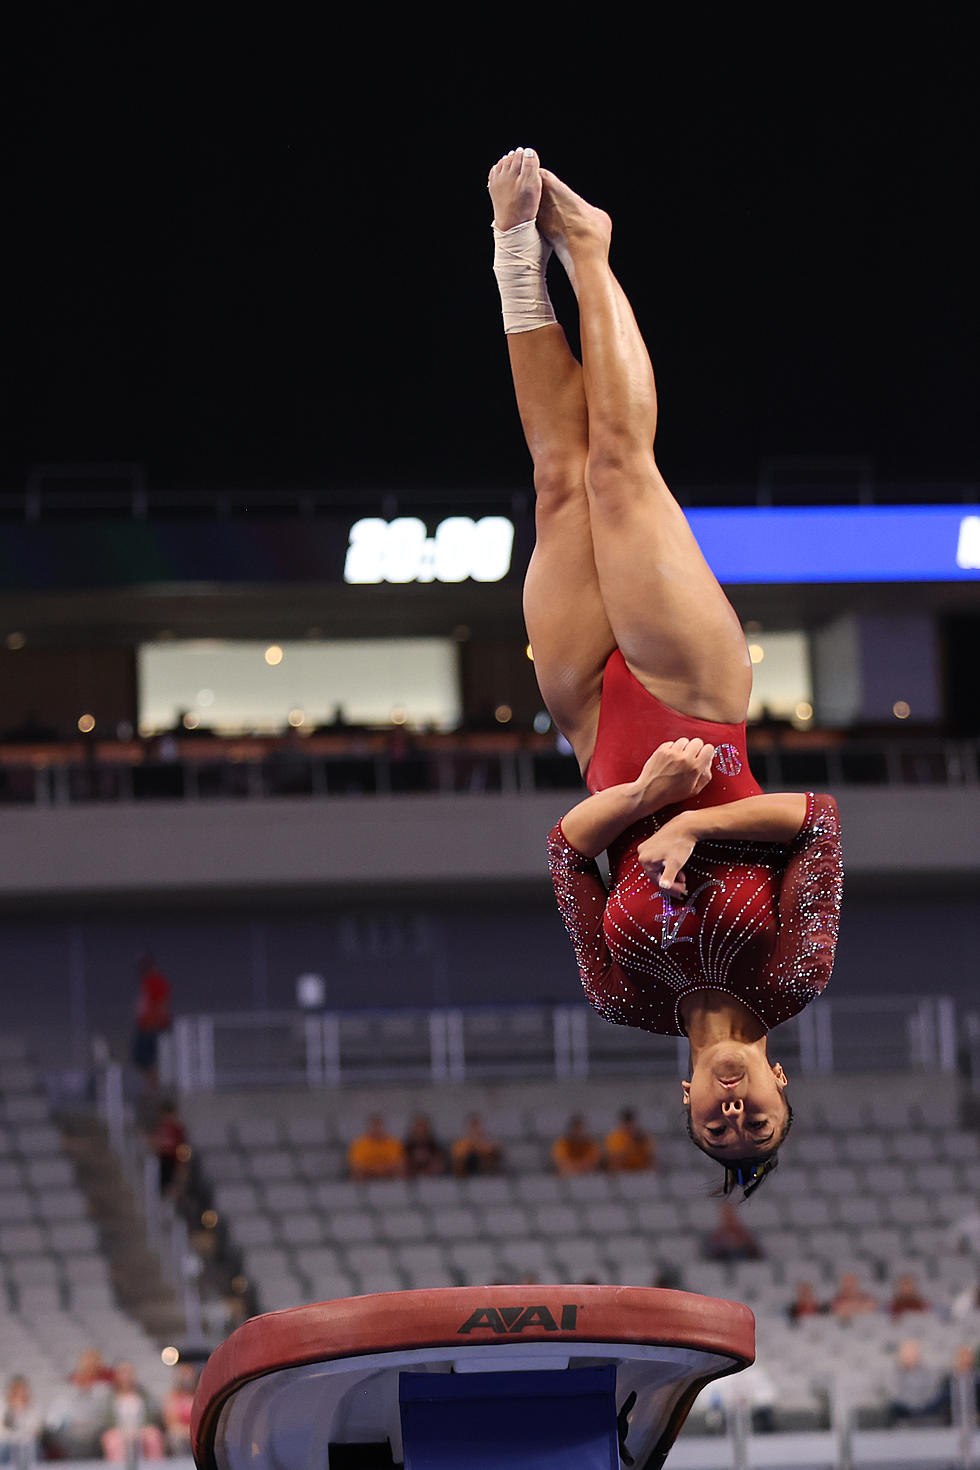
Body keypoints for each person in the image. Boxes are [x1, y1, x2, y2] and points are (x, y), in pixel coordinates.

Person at [487, 147, 843, 1198]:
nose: (734, 1111)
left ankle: (513, 255)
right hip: (695, 698)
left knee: (557, 485)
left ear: (684, 1107)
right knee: (615, 468)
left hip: (598, 729)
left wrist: (644, 800)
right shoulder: (793, 973)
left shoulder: (622, 999)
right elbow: (815, 819)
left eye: (718, 1129)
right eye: (756, 1119)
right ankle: (587, 251)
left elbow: (564, 854)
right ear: (779, 1080)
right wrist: (690, 824)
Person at [100, 1362, 164, 1463]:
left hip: (142, 1429)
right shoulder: (110, 1397)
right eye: (122, 1373)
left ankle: (155, 1465)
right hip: (118, 1430)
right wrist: (123, 1431)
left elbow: (151, 1415)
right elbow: (106, 1420)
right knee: (112, 1440)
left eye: (129, 1373)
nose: (126, 1376)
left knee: (153, 1436)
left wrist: (141, 1429)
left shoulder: (144, 1394)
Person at [131, 953, 173, 1093]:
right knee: (140, 1058)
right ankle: (150, 1087)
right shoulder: (146, 982)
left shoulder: (156, 981)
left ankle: (153, 1088)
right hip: (143, 1026)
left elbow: (162, 1003)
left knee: (149, 1058)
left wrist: (161, 1022)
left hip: (151, 1027)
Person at [347, 1115, 406, 1180]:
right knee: (357, 1171)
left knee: (400, 1168)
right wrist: (374, 1170)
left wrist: (382, 1169)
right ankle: (361, 1189)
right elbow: (356, 1164)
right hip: (367, 1173)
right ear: (368, 1128)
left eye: (379, 1126)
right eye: (374, 1127)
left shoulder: (393, 1143)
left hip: (388, 1173)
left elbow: (398, 1162)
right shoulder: (359, 1144)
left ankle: (398, 1188)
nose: (377, 1129)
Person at [1, 1377, 41, 1465]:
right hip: (7, 1443)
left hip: (27, 1443)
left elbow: (35, 1431)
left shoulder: (33, 1408)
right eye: (17, 1392)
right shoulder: (4, 1406)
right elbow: (4, 1430)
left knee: (33, 1447)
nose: (19, 1395)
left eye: (22, 1391)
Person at [604, 1107, 656, 1172]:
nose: (629, 1126)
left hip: (641, 1173)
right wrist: (631, 1143)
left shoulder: (644, 1137)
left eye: (631, 1122)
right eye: (626, 1123)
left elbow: (651, 1158)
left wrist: (641, 1143)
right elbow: (614, 1160)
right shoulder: (614, 1137)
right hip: (622, 1174)